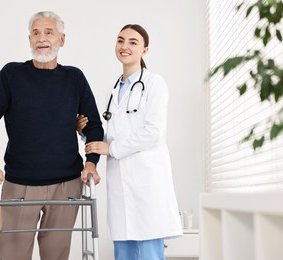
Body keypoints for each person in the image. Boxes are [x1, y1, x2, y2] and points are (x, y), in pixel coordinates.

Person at [0, 11, 104, 260]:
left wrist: (91, 164)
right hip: (20, 185)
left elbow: (94, 126)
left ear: (62, 40)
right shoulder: (11, 75)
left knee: (56, 256)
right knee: (12, 256)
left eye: (48, 32)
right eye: (35, 33)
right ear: (29, 40)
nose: (41, 38)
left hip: (66, 185)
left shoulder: (74, 78)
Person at [77, 24, 182, 260]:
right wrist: (87, 134)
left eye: (133, 42)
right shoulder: (114, 91)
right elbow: (115, 135)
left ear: (145, 50)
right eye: (120, 40)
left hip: (147, 179)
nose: (125, 46)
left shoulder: (154, 83)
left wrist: (111, 148)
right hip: (120, 182)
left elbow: (153, 131)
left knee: (149, 251)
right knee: (123, 251)